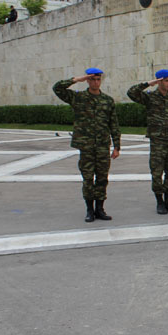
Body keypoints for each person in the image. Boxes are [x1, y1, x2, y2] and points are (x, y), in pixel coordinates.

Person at [53, 68, 121, 222]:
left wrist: (117, 146)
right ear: (88, 80)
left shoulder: (107, 100)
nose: (96, 82)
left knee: (102, 178)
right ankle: (89, 210)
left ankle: (100, 209)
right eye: (92, 79)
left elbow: (114, 124)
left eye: (98, 79)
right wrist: (77, 79)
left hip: (103, 146)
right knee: (88, 178)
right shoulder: (78, 97)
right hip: (86, 146)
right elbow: (57, 88)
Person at [127, 69, 168, 215]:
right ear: (159, 81)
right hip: (157, 142)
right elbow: (131, 93)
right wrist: (149, 83)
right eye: (166, 81)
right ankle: (159, 202)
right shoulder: (150, 98)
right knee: (157, 173)